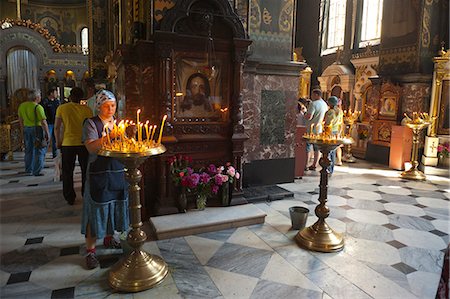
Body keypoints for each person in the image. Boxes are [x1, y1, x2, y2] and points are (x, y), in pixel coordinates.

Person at [81, 90, 129, 269]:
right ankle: (90, 251)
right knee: (95, 211)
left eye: (113, 105)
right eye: (107, 105)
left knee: (114, 207)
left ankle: (110, 238)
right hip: (98, 173)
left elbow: (122, 143)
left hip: (116, 171)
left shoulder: (117, 123)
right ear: (98, 106)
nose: (111, 109)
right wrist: (111, 136)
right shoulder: (91, 124)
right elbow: (92, 148)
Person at [55, 87, 93, 205]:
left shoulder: (62, 108)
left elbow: (57, 127)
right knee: (85, 170)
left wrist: (58, 141)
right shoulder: (87, 110)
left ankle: (69, 197)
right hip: (83, 143)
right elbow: (89, 128)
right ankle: (85, 194)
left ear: (70, 96)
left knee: (67, 171)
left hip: (68, 143)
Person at [17, 89, 50, 176]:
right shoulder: (38, 107)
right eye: (39, 96)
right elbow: (43, 122)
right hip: (37, 129)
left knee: (28, 150)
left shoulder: (22, 106)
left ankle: (28, 169)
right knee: (39, 150)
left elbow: (20, 120)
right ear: (36, 97)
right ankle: (37, 171)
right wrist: (47, 133)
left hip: (26, 129)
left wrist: (22, 131)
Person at [304, 89, 328, 170]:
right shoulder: (325, 104)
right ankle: (315, 164)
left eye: (313, 94)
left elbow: (309, 116)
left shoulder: (313, 104)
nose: (311, 96)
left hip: (310, 129)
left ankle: (306, 165)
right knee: (316, 148)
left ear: (317, 95)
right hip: (319, 129)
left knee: (307, 148)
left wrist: (304, 113)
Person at [324, 96, 344, 175]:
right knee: (333, 151)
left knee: (328, 150)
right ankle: (331, 168)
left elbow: (327, 123)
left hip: (329, 132)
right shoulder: (340, 111)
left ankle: (328, 167)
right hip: (336, 132)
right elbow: (341, 123)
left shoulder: (330, 112)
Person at [41, 88, 61, 158]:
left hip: (55, 123)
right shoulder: (45, 102)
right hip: (48, 123)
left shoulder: (57, 101)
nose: (57, 94)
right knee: (47, 139)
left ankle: (55, 155)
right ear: (51, 93)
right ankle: (42, 155)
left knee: (55, 139)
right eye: (55, 92)